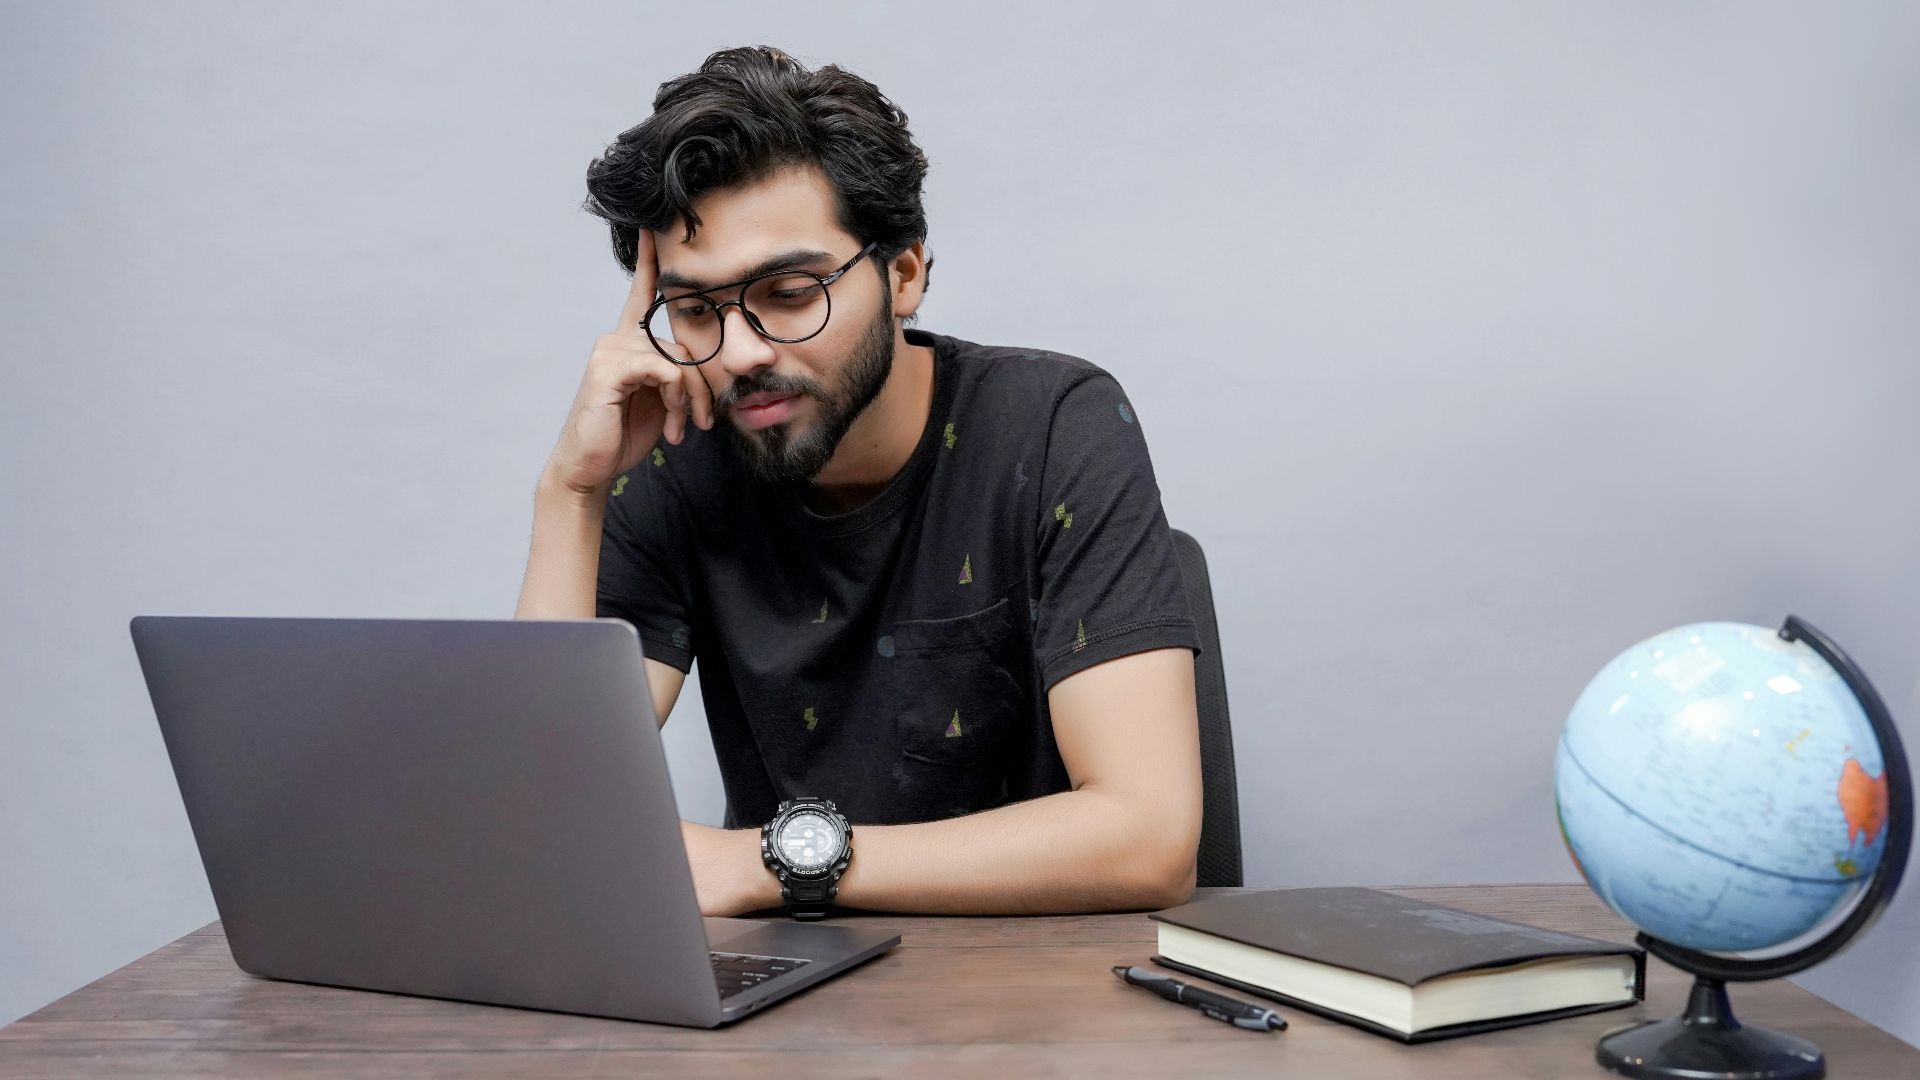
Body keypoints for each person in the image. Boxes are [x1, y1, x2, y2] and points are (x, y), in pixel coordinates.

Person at [515, 45, 1203, 919]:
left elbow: (1150, 839)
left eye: (792, 292)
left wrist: (766, 865)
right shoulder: (676, 454)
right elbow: (541, 818)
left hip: (1036, 988)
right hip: (780, 998)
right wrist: (570, 492)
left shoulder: (1054, 421)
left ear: (905, 271)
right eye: (694, 311)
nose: (741, 352)